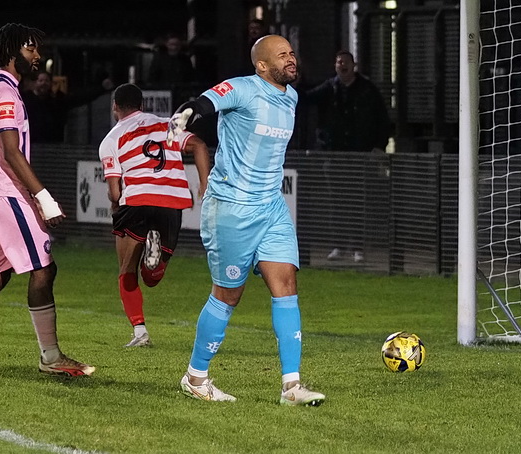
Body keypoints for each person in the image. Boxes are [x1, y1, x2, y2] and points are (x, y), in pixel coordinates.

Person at [166, 35, 325, 406]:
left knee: (286, 283)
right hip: (231, 208)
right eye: (282, 55)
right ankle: (196, 377)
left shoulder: (292, 97)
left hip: (271, 207)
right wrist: (185, 115)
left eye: (292, 53)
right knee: (227, 295)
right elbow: (206, 102)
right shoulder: (242, 88)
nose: (291, 59)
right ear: (262, 65)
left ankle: (291, 387)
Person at [0, 23, 95, 377]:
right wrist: (43, 197)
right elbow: (12, 153)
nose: (37, 56)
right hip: (6, 194)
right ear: (12, 51)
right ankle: (51, 357)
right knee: (43, 268)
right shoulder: (6, 93)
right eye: (30, 49)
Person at [98, 83, 210, 347]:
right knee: (153, 278)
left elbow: (115, 193)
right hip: (170, 203)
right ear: (143, 105)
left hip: (135, 201)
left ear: (115, 107)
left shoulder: (111, 139)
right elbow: (200, 146)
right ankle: (154, 262)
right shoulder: (168, 125)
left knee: (126, 270)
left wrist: (115, 204)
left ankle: (140, 333)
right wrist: (205, 185)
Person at [306, 50, 391, 263]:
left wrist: (379, 146)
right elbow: (306, 99)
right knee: (336, 202)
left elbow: (382, 118)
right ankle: (338, 245)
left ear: (354, 65)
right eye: (338, 62)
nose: (341, 65)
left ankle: (358, 247)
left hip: (359, 155)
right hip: (334, 155)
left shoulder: (367, 90)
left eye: (345, 62)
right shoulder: (329, 88)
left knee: (358, 201)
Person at [22, 71, 114, 143]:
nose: (44, 83)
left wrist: (101, 88)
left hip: (52, 144)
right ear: (34, 83)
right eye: (40, 80)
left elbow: (79, 97)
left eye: (46, 81)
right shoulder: (25, 100)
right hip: (30, 142)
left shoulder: (56, 100)